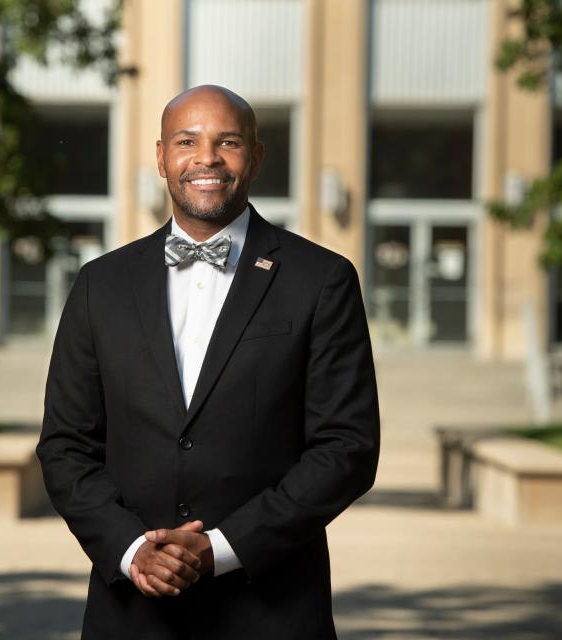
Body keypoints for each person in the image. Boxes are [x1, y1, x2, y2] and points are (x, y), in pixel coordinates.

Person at [37, 84, 380, 639]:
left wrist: (221, 549)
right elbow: (65, 444)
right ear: (161, 156)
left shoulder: (322, 280)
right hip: (130, 614)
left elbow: (347, 447)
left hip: (271, 612)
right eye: (186, 141)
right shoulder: (101, 283)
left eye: (228, 142)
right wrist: (130, 551)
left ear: (256, 157)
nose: (206, 159)